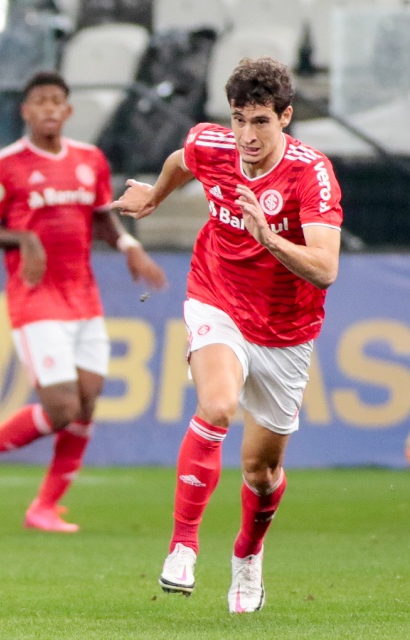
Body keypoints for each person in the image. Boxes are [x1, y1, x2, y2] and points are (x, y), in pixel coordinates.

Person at [111, 57, 343, 613]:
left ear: (285, 117)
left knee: (262, 473)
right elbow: (181, 158)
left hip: (287, 330)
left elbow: (326, 267)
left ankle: (246, 556)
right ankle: (183, 545)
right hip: (217, 297)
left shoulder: (310, 175)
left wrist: (268, 238)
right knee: (216, 406)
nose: (247, 136)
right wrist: (155, 197)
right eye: (239, 119)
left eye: (260, 121)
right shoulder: (214, 145)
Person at [0, 70, 167, 533]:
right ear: (25, 110)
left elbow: (103, 223)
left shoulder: (90, 160)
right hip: (35, 298)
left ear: (68, 110)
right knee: (62, 409)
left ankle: (44, 507)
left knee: (87, 403)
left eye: (57, 101)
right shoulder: (4, 164)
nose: (49, 109)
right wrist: (24, 238)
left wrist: (131, 249)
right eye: (40, 101)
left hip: (83, 296)